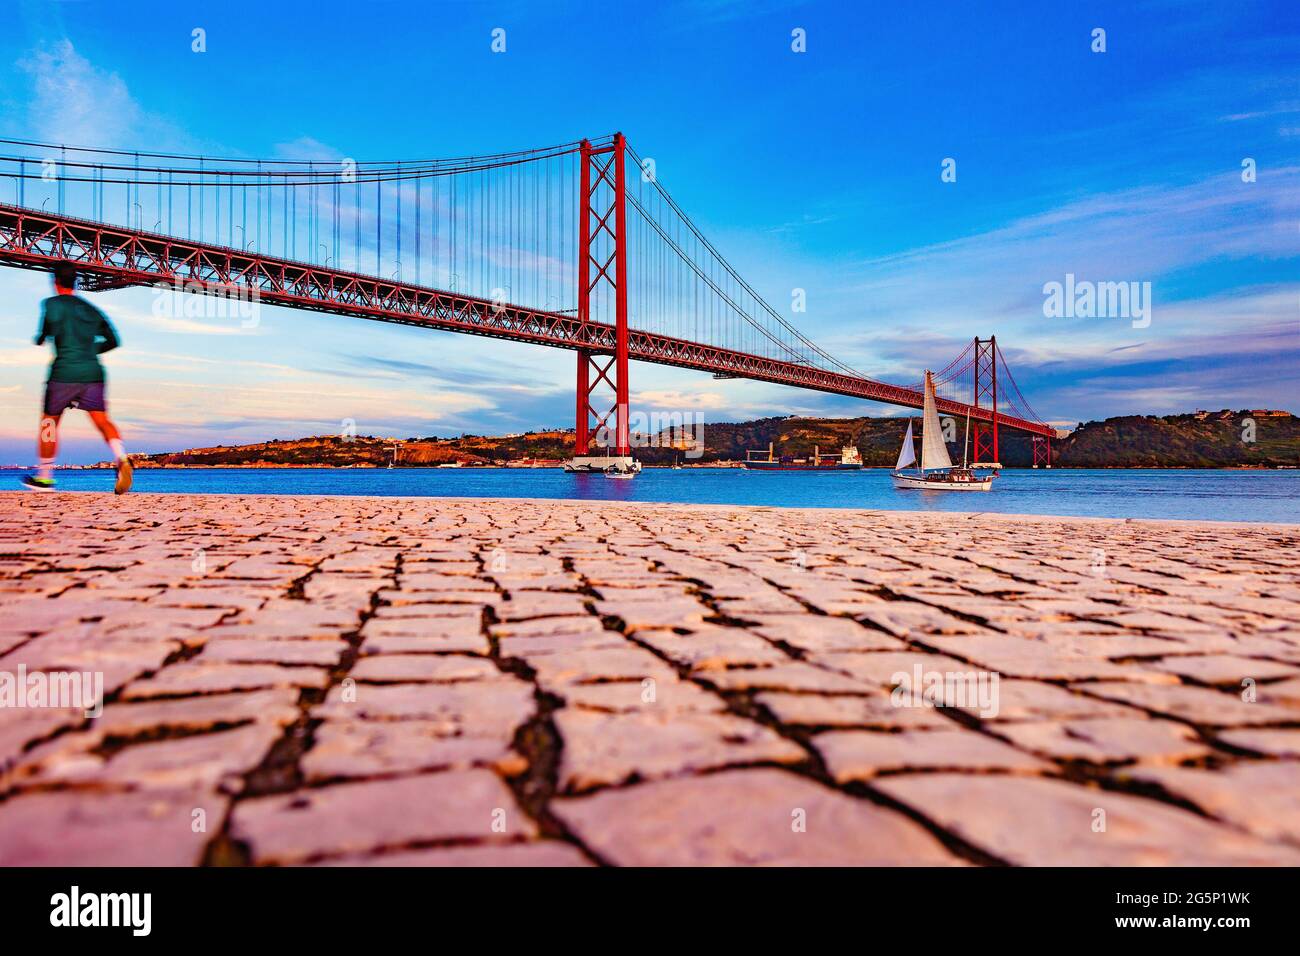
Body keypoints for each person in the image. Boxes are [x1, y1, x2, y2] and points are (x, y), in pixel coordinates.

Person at [22, 262, 132, 494]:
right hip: (93, 372)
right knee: (102, 420)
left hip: (64, 372)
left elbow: (45, 332)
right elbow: (114, 340)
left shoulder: (51, 304)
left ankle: (44, 479)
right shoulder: (92, 310)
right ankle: (122, 457)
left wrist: (40, 338)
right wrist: (92, 351)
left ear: (55, 281)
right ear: (76, 282)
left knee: (49, 423)